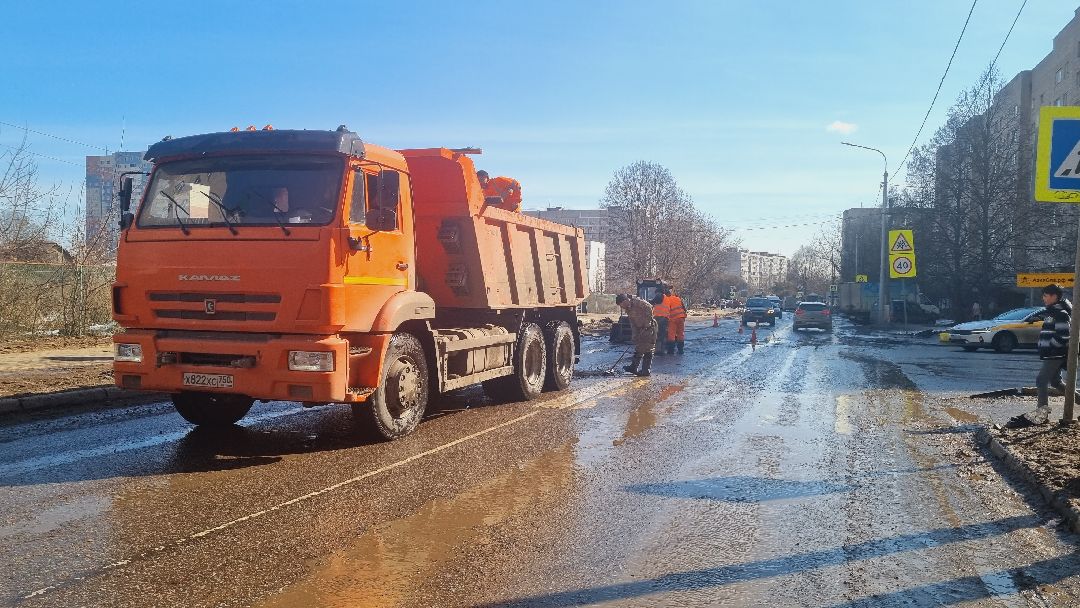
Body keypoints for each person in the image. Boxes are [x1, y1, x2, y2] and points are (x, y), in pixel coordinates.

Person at [1007, 284, 1078, 428]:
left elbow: (1064, 335)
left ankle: (1042, 414)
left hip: (1055, 354)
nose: (1043, 298)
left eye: (1045, 295)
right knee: (1055, 382)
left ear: (1054, 296)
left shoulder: (1061, 313)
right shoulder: (1052, 312)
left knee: (1041, 380)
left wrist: (1051, 346)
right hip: (1051, 353)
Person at [616, 293, 656, 377]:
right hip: (640, 329)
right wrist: (634, 335)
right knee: (639, 347)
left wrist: (647, 322)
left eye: (621, 304)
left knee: (648, 348)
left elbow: (649, 307)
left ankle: (646, 371)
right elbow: (633, 323)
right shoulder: (628, 310)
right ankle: (633, 367)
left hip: (649, 328)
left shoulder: (637, 302)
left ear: (625, 301)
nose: (621, 307)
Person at [664, 290, 688, 355]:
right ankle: (681, 350)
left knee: (671, 335)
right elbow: (684, 308)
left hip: (673, 319)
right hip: (681, 317)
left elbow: (666, 310)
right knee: (680, 334)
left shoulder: (666, 299)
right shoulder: (677, 298)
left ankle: (671, 351)